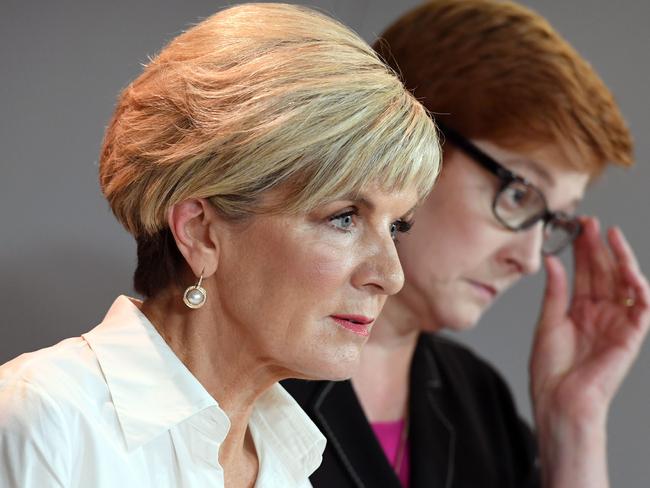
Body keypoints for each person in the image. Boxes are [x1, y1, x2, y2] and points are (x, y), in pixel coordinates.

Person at [0, 4, 441, 487]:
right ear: (201, 233)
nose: (391, 275)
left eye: (397, 227)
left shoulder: (289, 461)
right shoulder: (40, 422)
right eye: (344, 218)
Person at [284, 1, 650, 487]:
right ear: (407, 144)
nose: (526, 261)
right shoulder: (246, 368)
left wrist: (574, 425)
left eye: (551, 220)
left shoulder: (480, 401)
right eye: (518, 195)